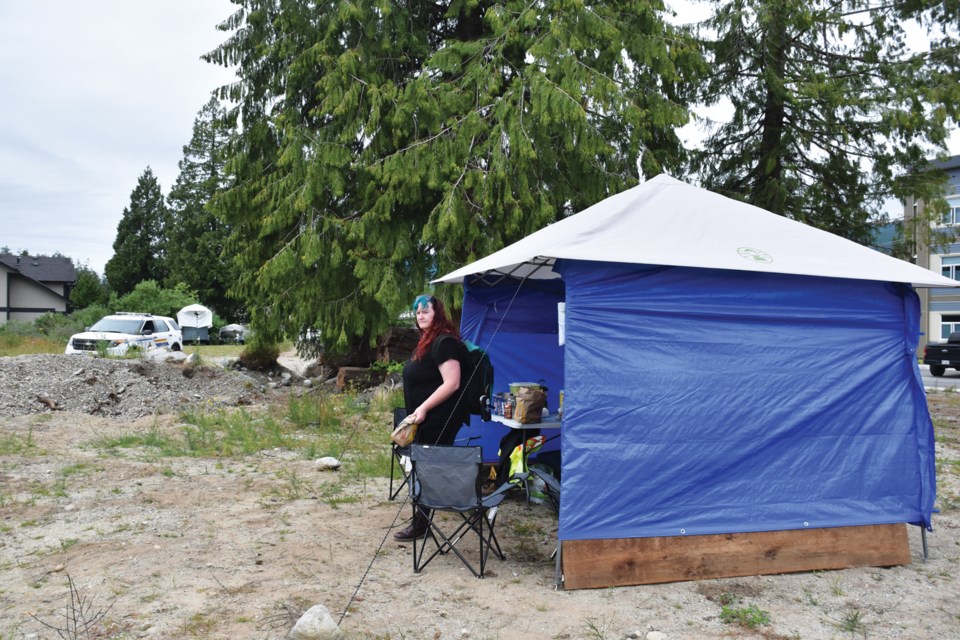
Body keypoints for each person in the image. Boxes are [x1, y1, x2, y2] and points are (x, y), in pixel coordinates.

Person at [393, 294, 465, 540]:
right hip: (423, 418)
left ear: (437, 314)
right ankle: (420, 520)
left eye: (425, 311)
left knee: (427, 468)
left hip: (439, 417)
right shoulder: (427, 340)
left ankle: (420, 525)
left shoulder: (444, 342)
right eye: (417, 312)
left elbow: (452, 383)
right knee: (423, 466)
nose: (420, 315)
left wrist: (423, 408)